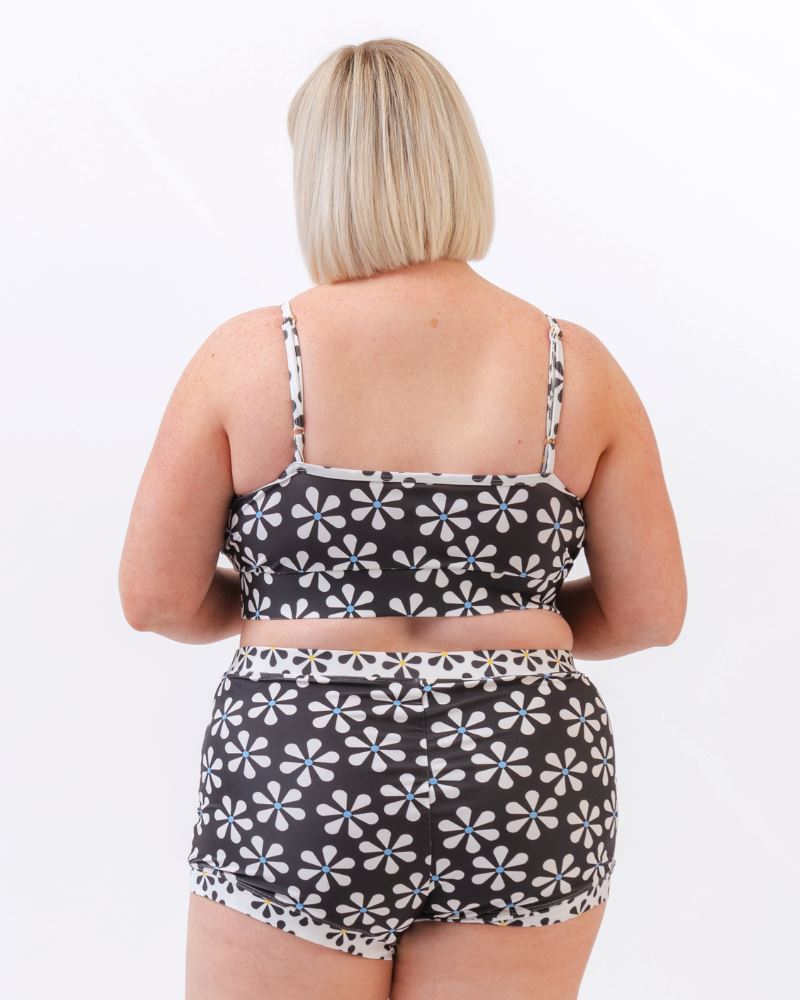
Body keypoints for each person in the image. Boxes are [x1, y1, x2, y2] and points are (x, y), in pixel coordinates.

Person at [118, 37, 686, 1000]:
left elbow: (154, 599)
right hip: (524, 774)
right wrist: (504, 632)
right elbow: (650, 614)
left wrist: (291, 613)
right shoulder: (576, 367)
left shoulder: (251, 360)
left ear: (321, 180)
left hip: (305, 764)